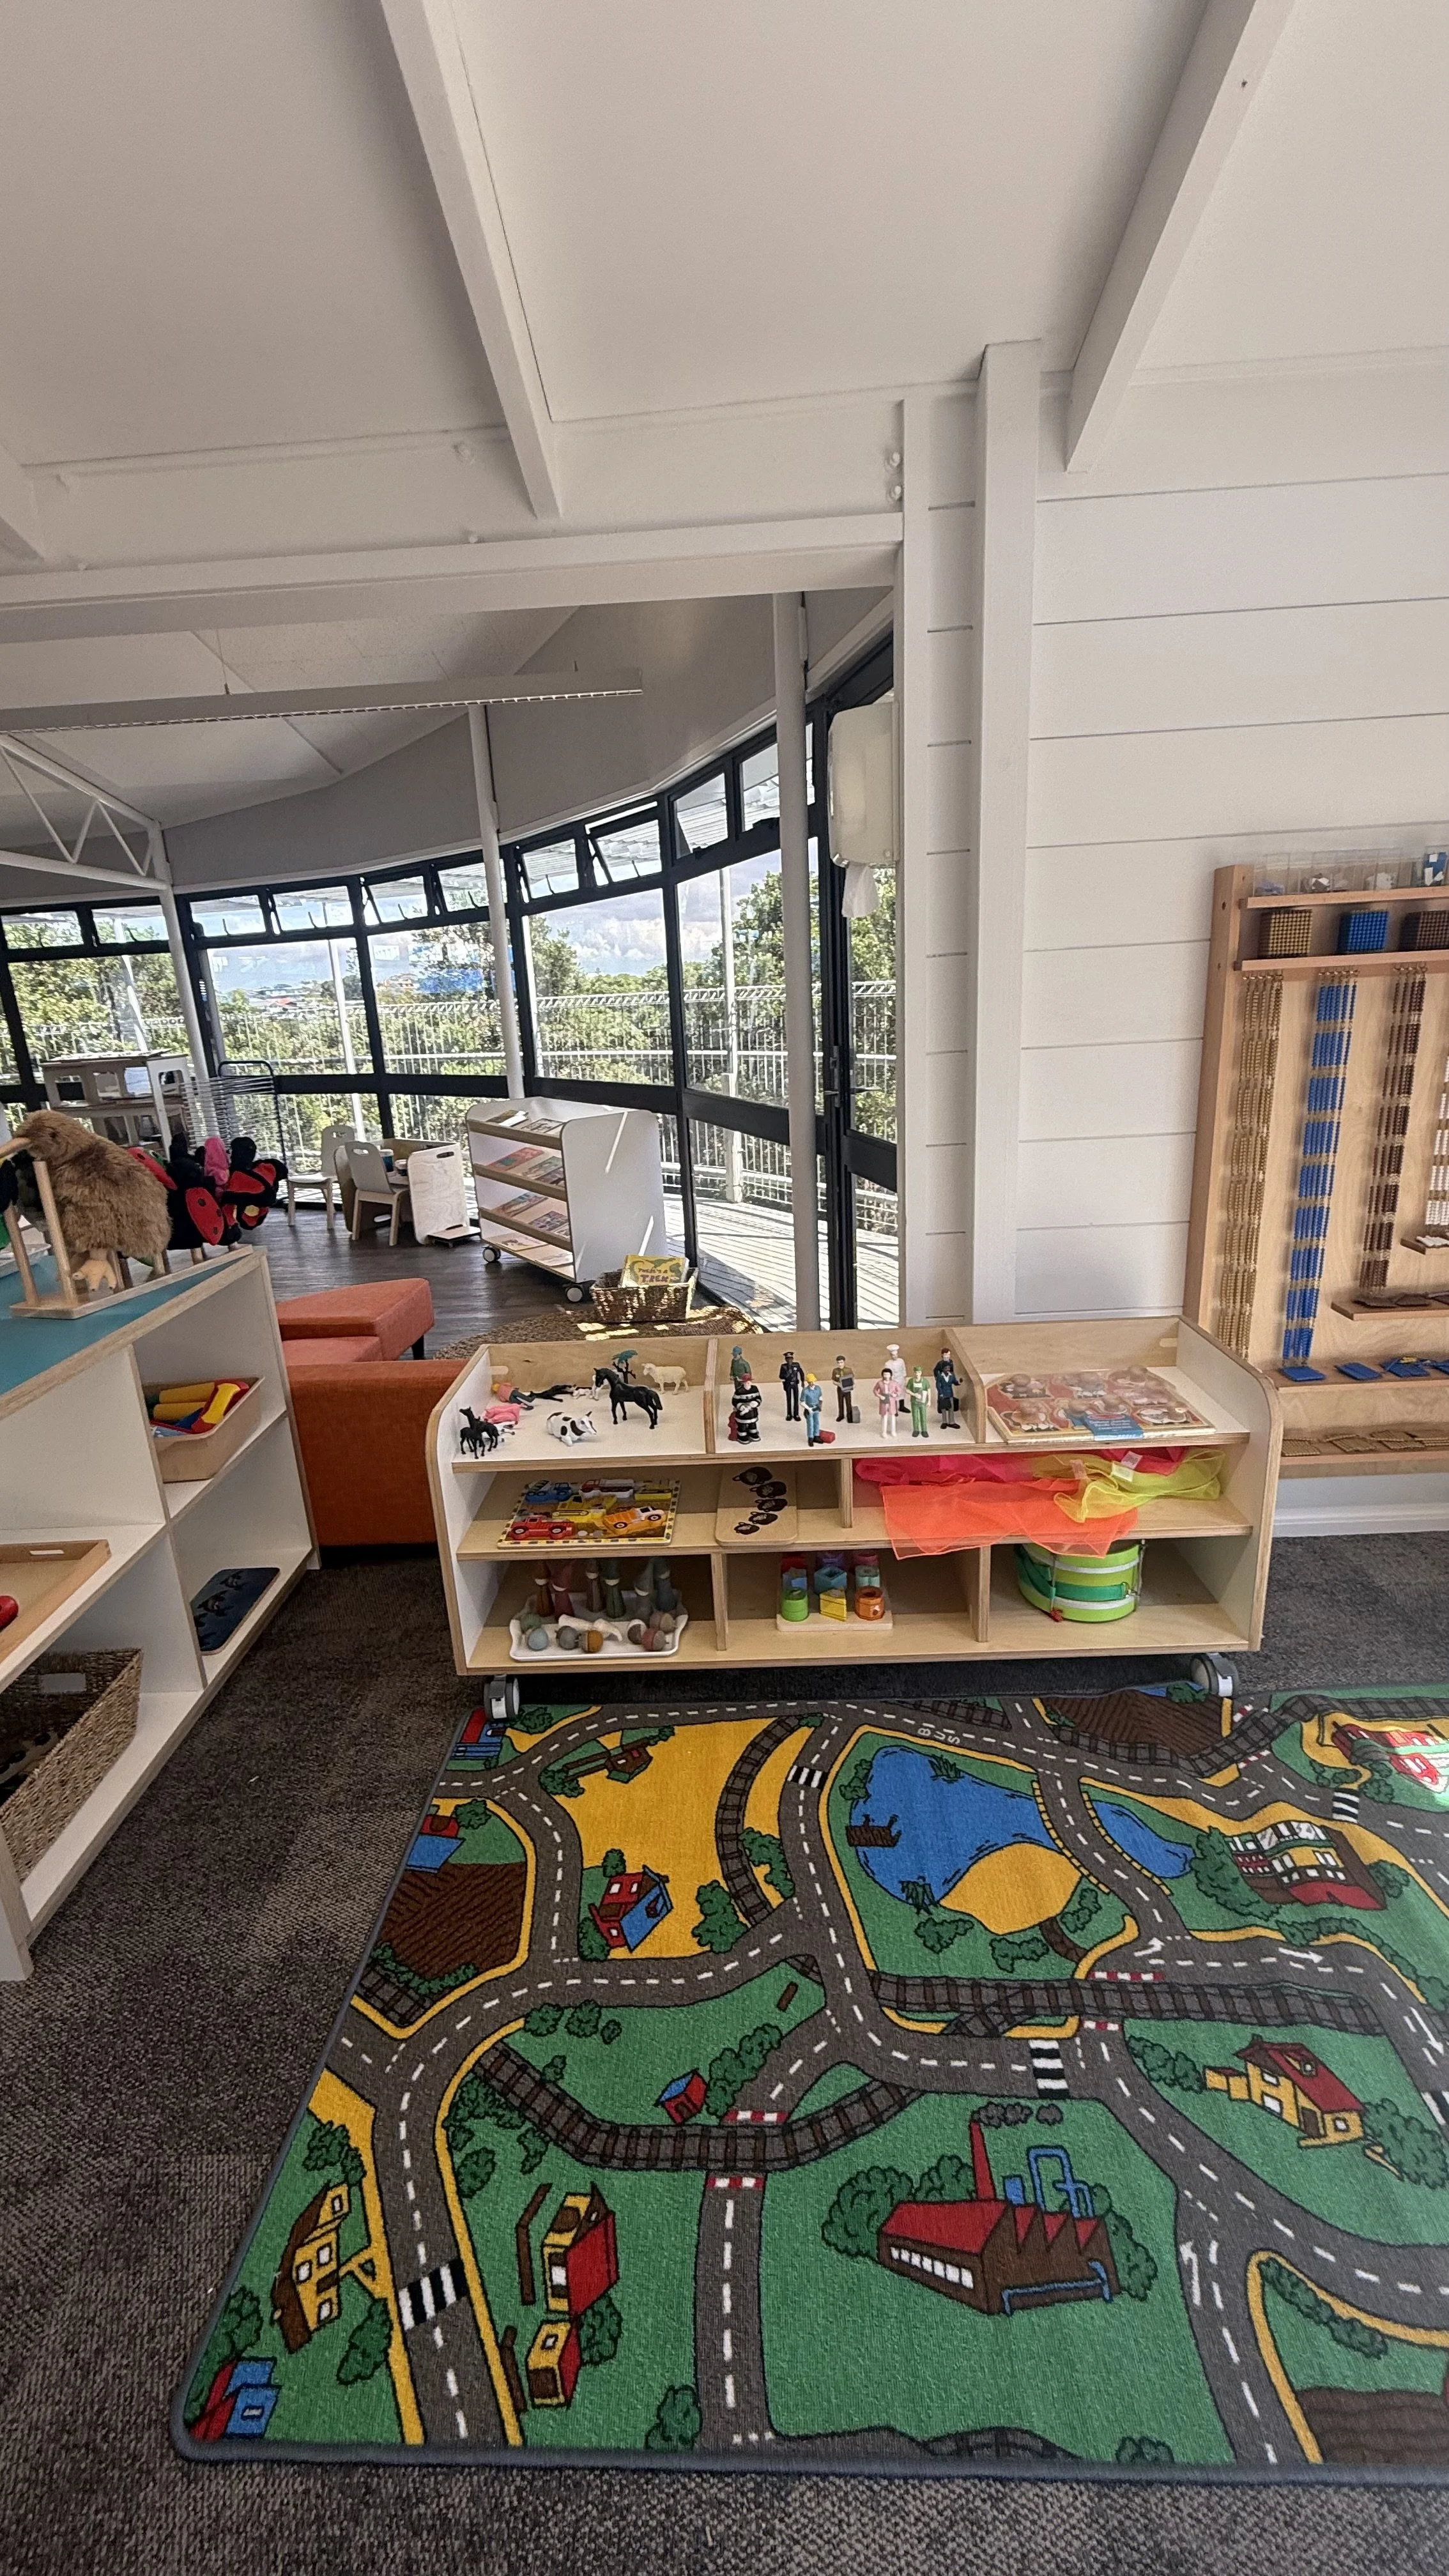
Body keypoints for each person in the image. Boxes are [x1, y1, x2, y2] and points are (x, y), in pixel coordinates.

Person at [933, 1347, 962, 1429]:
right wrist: (938, 1379)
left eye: (948, 1355)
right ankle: (944, 1422)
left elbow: (954, 1380)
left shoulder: (951, 1367)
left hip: (949, 1393)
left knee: (951, 1407)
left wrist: (958, 1381)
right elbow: (937, 1381)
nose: (947, 1356)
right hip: (943, 1393)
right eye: (946, 1355)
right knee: (943, 1407)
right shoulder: (940, 1365)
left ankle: (951, 1422)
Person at [732, 1374, 762, 1443]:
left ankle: (753, 1434)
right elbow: (735, 1401)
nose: (747, 1383)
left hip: (752, 1412)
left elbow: (759, 1398)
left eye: (749, 1381)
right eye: (745, 1382)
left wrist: (756, 1403)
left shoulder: (755, 1389)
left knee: (753, 1424)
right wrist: (741, 1407)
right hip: (743, 1414)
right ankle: (742, 1436)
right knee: (743, 1426)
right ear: (743, 1382)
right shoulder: (739, 1391)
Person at [779, 1347, 805, 1422]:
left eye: (791, 1359)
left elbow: (801, 1373)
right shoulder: (783, 1367)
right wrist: (786, 1378)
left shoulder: (796, 1365)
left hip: (795, 1384)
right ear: (786, 1360)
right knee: (789, 1399)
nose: (789, 1360)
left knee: (796, 1399)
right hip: (788, 1384)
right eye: (788, 1359)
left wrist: (803, 1381)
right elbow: (781, 1376)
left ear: (792, 1359)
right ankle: (789, 1414)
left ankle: (796, 1414)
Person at [907, 1364, 931, 1438]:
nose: (917, 1374)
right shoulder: (911, 1381)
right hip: (914, 1402)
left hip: (923, 1402)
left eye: (919, 1372)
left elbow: (929, 1391)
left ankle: (924, 1430)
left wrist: (929, 1401)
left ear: (921, 1373)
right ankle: (916, 1430)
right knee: (915, 1416)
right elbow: (907, 1390)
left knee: (923, 1416)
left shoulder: (925, 1381)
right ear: (914, 1373)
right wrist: (914, 1394)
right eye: (916, 1372)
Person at [832, 1354, 856, 1422]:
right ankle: (841, 1415)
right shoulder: (835, 1371)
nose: (840, 1364)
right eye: (838, 1363)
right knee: (840, 1402)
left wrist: (853, 1385)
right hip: (840, 1389)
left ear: (844, 1362)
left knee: (848, 1402)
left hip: (847, 1389)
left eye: (841, 1362)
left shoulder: (848, 1370)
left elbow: (852, 1378)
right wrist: (839, 1384)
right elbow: (834, 1381)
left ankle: (849, 1416)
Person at [802, 1373, 824, 1445]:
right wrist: (808, 1409)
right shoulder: (805, 1391)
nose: (812, 1383)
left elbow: (820, 1398)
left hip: (816, 1408)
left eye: (813, 1381)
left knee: (817, 1422)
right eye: (810, 1382)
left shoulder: (818, 1389)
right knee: (810, 1424)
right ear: (808, 1382)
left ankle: (816, 1436)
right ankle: (811, 1438)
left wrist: (820, 1406)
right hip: (810, 1409)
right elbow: (802, 1402)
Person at [874, 1370, 898, 1438]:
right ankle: (884, 1432)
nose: (886, 1376)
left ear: (890, 1375)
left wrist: (895, 1394)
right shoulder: (880, 1383)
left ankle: (893, 1431)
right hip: (884, 1400)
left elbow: (899, 1390)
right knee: (884, 1417)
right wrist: (879, 1396)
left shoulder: (894, 1383)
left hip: (891, 1401)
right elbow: (875, 1390)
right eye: (885, 1375)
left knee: (893, 1417)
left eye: (888, 1375)